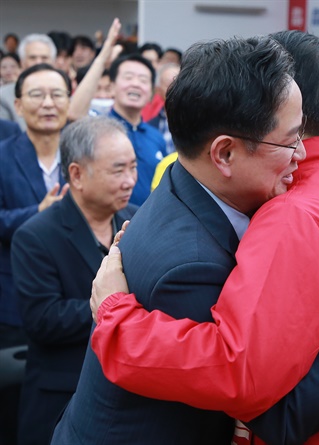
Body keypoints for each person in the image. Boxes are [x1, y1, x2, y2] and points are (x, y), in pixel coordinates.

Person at [53, 35, 319, 445]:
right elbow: (259, 393)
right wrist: (116, 320)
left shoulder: (262, 199)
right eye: (291, 140)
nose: (301, 155)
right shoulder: (200, 259)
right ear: (225, 154)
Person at [12, 116, 137, 445]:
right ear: (77, 175)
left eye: (133, 168)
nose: (129, 181)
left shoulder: (136, 220)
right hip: (63, 395)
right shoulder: (36, 236)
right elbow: (43, 320)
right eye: (117, 170)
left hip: (126, 394)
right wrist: (115, 306)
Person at [0, 64, 71, 348]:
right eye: (37, 95)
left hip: (75, 299)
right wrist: (39, 213)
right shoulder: (3, 156)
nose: (48, 103)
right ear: (17, 105)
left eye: (57, 94)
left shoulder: (87, 156)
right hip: (14, 298)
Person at [107, 53, 166, 205]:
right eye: (128, 77)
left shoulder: (156, 137)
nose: (136, 84)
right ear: (112, 86)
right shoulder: (99, 132)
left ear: (152, 93)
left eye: (143, 80)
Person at [0, 33, 56, 129]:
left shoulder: (62, 94)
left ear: (53, 62)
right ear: (22, 62)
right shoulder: (4, 96)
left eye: (44, 58)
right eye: (32, 58)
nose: (39, 62)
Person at [146, 63, 179, 150]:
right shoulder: (150, 127)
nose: (176, 88)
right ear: (158, 90)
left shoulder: (200, 121)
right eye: (169, 83)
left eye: (180, 82)